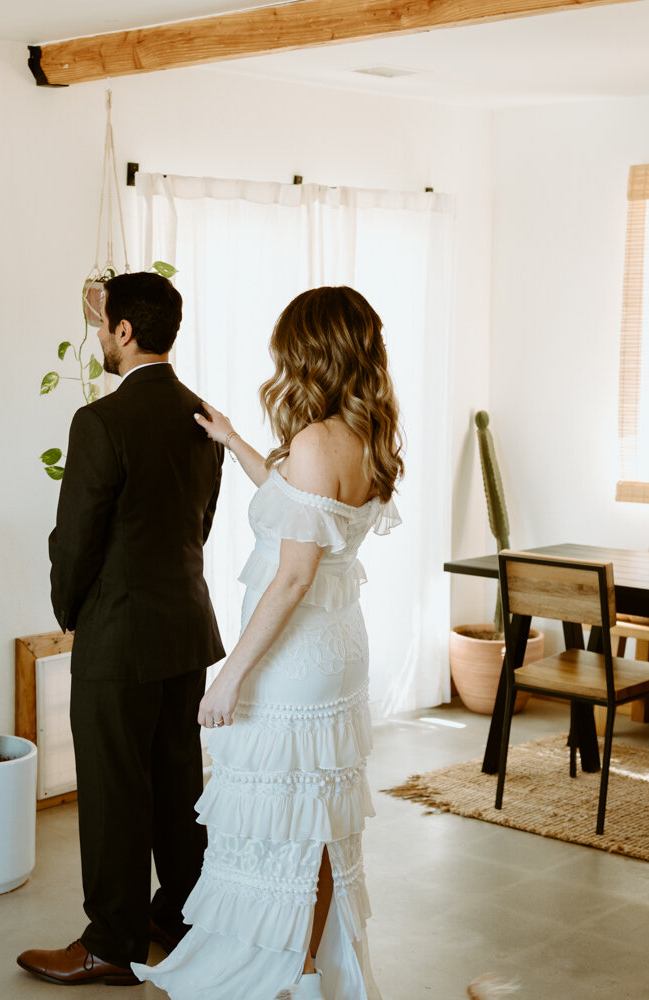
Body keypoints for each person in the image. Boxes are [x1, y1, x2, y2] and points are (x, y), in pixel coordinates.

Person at [133, 286, 402, 1000]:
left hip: (293, 661)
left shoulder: (316, 443)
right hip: (337, 653)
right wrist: (234, 441)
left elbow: (290, 579)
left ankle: (273, 973)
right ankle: (306, 970)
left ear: (310, 352)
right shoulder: (365, 437)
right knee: (313, 823)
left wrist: (229, 679)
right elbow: (300, 510)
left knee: (274, 822)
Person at [18, 271, 226, 986]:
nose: (99, 336)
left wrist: (70, 610)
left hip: (118, 631)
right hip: (185, 629)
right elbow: (199, 524)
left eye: (104, 323)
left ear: (126, 332)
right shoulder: (204, 416)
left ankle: (111, 941)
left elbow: (75, 540)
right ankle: (180, 915)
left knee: (111, 791)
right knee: (177, 781)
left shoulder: (100, 422)